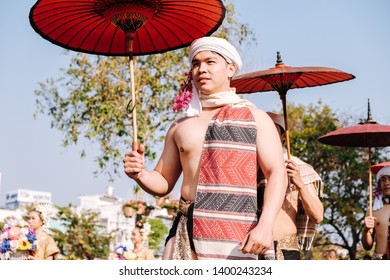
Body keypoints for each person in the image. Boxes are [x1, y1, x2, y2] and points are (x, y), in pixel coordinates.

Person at [124, 36, 287, 260]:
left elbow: (276, 173)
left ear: (230, 68)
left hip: (238, 231)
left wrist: (266, 225)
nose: (202, 69)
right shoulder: (180, 126)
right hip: (186, 229)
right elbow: (163, 182)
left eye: (210, 62)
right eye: (196, 63)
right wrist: (140, 173)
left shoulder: (256, 118)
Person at [258, 112, 324, 260]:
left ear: (283, 136)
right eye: (262, 130)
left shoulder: (299, 168)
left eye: (272, 130)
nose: (266, 134)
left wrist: (299, 183)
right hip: (253, 249)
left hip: (286, 250)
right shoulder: (249, 168)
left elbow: (318, 216)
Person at [361, 165, 390, 260]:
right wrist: (366, 230)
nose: (386, 183)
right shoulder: (373, 211)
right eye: (383, 180)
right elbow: (367, 246)